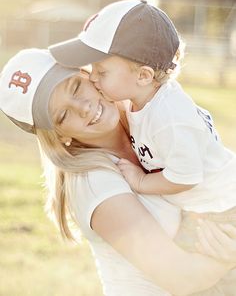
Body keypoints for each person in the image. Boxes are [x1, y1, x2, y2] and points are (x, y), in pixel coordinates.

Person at [1, 48, 236, 296]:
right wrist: (229, 255)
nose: (83, 108)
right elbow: (181, 278)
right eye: (63, 114)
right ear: (60, 136)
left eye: (75, 88)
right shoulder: (93, 182)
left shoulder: (147, 117)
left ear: (88, 76)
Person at [49, 0, 236, 246]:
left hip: (223, 209)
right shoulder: (143, 102)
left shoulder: (169, 117)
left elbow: (186, 177)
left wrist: (141, 181)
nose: (92, 78)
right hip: (210, 207)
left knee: (198, 265)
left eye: (102, 72)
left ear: (143, 75)